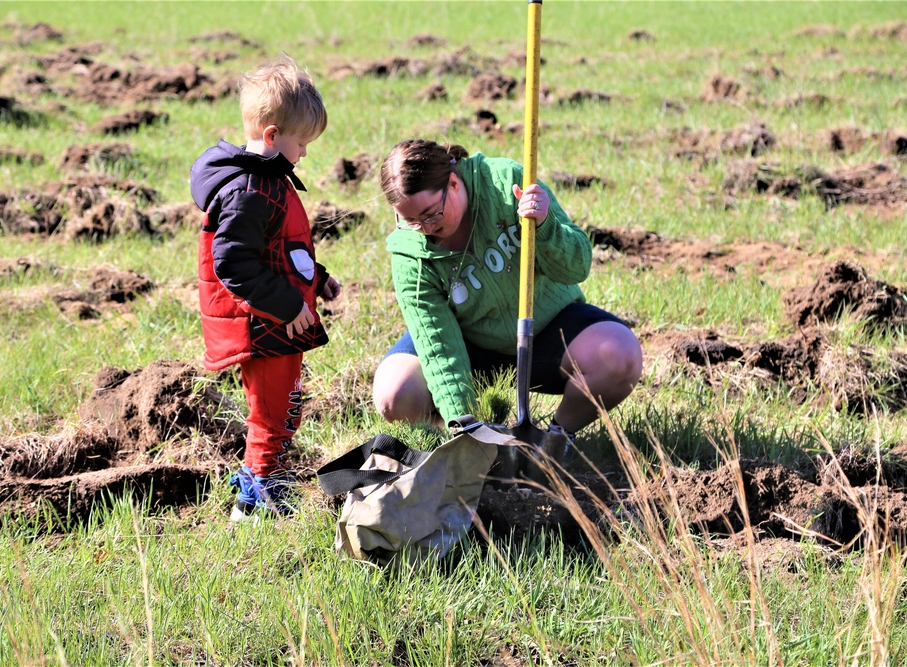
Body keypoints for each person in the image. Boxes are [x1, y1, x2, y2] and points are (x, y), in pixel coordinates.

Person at [373, 139, 641, 447]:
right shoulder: (409, 252)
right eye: (410, 221)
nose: (425, 228)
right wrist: (466, 429)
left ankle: (555, 440)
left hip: (544, 331)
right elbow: (439, 345)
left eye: (431, 214)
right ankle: (467, 437)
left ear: (453, 182)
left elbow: (577, 267)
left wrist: (545, 225)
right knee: (395, 393)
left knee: (619, 355)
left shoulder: (506, 183)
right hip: (467, 345)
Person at [190, 55, 341, 520]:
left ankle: (270, 481)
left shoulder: (270, 178)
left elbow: (281, 250)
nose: (304, 154)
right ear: (272, 137)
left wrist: (318, 278)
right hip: (263, 326)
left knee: (285, 403)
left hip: (280, 320)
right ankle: (255, 501)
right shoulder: (250, 191)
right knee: (270, 413)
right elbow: (234, 262)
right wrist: (286, 304)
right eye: (301, 143)